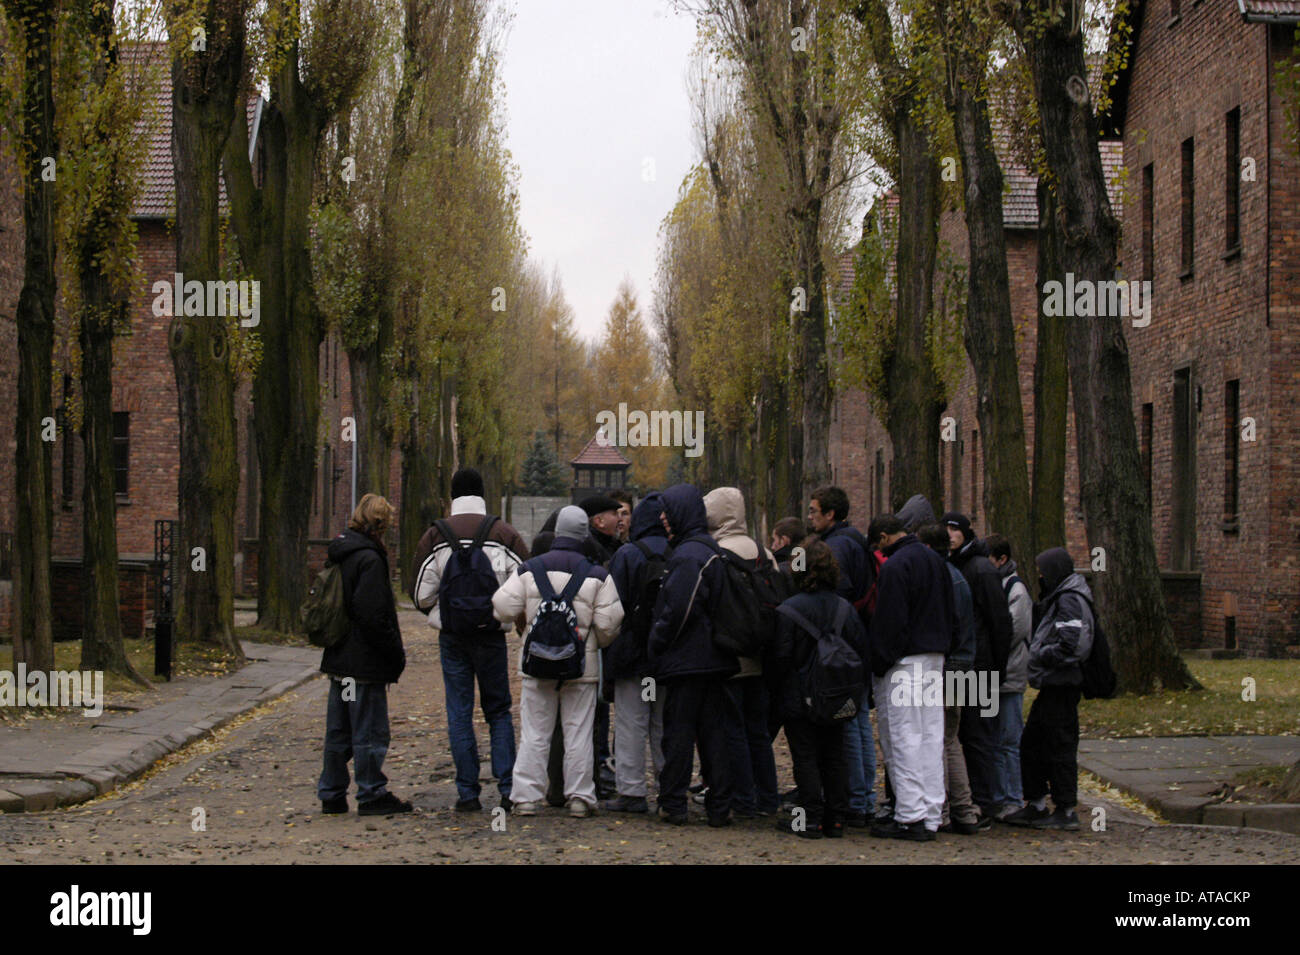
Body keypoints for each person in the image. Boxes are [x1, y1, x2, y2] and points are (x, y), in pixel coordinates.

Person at [492, 506, 624, 817]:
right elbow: (609, 624)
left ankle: (524, 797)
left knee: (536, 731)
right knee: (578, 731)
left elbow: (501, 607)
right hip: (581, 667)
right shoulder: (597, 574)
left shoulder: (529, 569)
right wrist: (590, 643)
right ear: (583, 534)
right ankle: (579, 797)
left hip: (536, 664)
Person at [411, 467, 529, 812]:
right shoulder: (504, 533)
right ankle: (508, 789)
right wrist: (506, 615)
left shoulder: (435, 536)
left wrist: (442, 615)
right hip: (491, 635)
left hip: (453, 637)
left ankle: (467, 793)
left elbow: (420, 594)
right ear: (482, 493)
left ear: (453, 495)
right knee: (499, 711)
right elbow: (526, 584)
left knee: (459, 712)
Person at [647, 483, 739, 826]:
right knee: (714, 734)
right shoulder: (709, 550)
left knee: (680, 733)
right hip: (713, 659)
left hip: (688, 661)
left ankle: (674, 802)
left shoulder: (688, 556)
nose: (662, 519)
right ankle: (719, 805)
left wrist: (657, 644)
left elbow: (679, 610)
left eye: (667, 512)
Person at [318, 494, 411, 817]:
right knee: (369, 730)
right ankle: (372, 792)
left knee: (338, 729)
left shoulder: (341, 552)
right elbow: (372, 613)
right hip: (365, 662)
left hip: (339, 657)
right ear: (381, 524)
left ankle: (331, 792)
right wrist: (393, 653)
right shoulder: (370, 559)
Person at [866, 516, 956, 841]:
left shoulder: (895, 567)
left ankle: (910, 814)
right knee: (931, 735)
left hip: (904, 662)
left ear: (885, 538)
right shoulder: (936, 562)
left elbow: (890, 621)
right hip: (935, 657)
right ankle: (931, 811)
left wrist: (880, 660)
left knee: (904, 737)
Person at [770, 537, 866, 839]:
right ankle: (835, 818)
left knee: (805, 756)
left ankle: (809, 818)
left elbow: (780, 658)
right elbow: (860, 648)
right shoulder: (845, 609)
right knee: (834, 754)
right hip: (836, 693)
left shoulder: (788, 611)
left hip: (798, 695)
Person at [704, 486, 780, 818]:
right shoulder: (764, 552)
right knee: (759, 731)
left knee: (731, 729)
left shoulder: (715, 553)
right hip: (762, 655)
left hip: (729, 655)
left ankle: (743, 798)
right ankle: (767, 798)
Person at [1005, 547, 1092, 831]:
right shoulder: (1063, 595)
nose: (1040, 577)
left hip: (1062, 682)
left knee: (1057, 744)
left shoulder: (1068, 598)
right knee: (1035, 742)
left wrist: (1041, 655)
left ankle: (1064, 808)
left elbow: (1072, 642)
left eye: (1043, 572)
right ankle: (1038, 803)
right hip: (1056, 682)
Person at [808, 486, 876, 828]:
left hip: (843, 647)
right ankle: (864, 797)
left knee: (849, 723)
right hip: (858, 642)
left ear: (830, 514)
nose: (810, 517)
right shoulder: (855, 540)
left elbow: (841, 592)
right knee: (859, 721)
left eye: (814, 511)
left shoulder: (836, 547)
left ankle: (856, 799)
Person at [941, 511, 1014, 819]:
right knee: (962, 733)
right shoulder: (959, 565)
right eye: (945, 529)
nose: (949, 534)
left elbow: (1000, 622)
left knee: (978, 735)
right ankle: (972, 798)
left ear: (965, 533)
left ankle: (985, 799)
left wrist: (996, 668)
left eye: (954, 529)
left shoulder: (980, 569)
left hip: (979, 665)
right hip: (964, 662)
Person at [601, 492, 671, 813]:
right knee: (663, 723)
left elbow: (612, 607)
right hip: (666, 655)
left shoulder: (627, 554)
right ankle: (668, 786)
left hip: (632, 655)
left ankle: (632, 791)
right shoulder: (677, 551)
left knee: (631, 721)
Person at [917, 523, 983, 835]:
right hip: (962, 663)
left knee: (936, 739)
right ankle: (963, 809)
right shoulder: (955, 576)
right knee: (949, 739)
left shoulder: (941, 578)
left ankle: (941, 810)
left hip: (947, 664)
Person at [985, 533, 1030, 820]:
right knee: (993, 739)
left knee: (1009, 739)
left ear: (1001, 559)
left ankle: (1013, 797)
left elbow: (1015, 630)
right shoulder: (997, 585)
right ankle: (998, 794)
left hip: (1009, 674)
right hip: (995, 674)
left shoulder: (1016, 590)